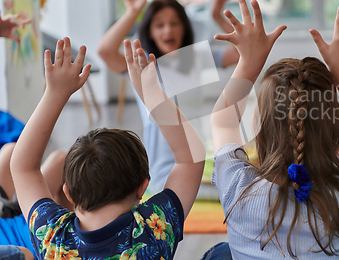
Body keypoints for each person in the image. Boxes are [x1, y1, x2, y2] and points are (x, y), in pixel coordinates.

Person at [207, 0, 339, 259]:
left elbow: (222, 119)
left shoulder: (238, 187)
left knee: (220, 254)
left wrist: (249, 60)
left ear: (258, 123)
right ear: (335, 127)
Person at [10, 37, 205, 259]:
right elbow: (191, 158)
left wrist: (54, 94)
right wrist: (151, 94)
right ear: (142, 188)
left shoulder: (52, 237)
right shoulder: (154, 230)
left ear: (69, 194)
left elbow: (23, 167)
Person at [98, 0, 238, 193]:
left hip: (196, 159)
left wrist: (217, 16)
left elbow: (239, 53)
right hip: (162, 168)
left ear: (185, 26)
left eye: (174, 23)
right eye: (159, 24)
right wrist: (133, 12)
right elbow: (105, 51)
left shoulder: (195, 56)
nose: (167, 31)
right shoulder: (143, 63)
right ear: (150, 30)